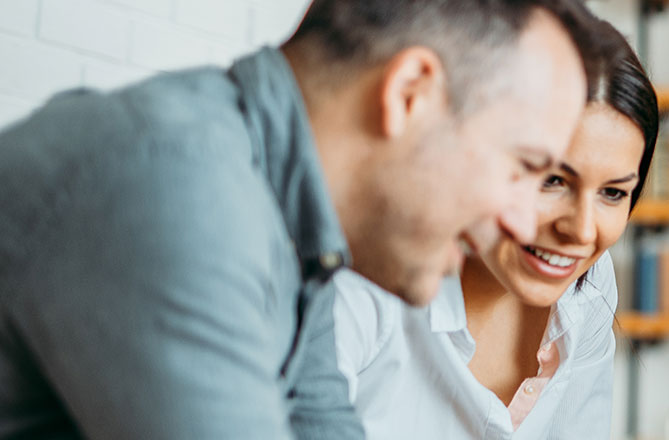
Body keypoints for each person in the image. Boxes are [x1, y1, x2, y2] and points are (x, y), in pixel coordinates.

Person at [0, 0, 613, 438]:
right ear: (409, 95)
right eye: (524, 166)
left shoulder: (291, 226)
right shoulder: (175, 191)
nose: (518, 218)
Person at [331, 17, 658, 439]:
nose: (581, 230)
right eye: (552, 180)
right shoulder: (365, 278)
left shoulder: (587, 284)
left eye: (612, 193)